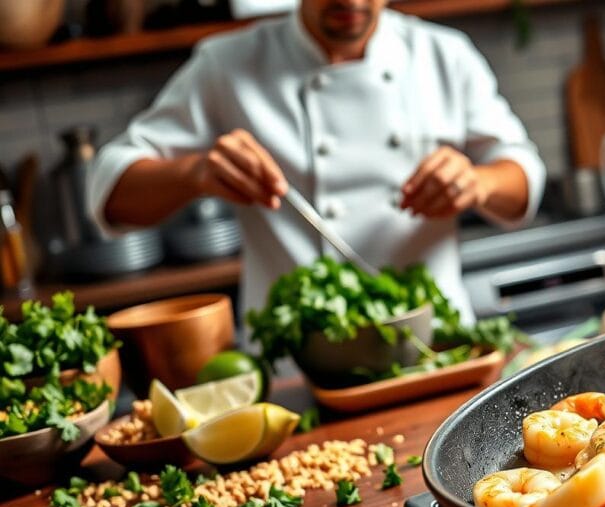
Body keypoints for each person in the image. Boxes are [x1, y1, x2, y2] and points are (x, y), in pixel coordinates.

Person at [87, 0, 545, 322]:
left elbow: (523, 177)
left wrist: (479, 182)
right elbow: (110, 194)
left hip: (439, 347)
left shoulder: (445, 56)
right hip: (293, 366)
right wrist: (195, 172)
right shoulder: (226, 64)